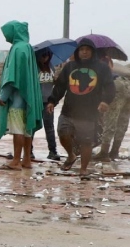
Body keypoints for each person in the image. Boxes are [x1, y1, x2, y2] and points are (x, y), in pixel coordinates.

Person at [47, 37, 115, 178]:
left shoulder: (101, 67)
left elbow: (109, 86)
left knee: (86, 141)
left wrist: (105, 101)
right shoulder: (70, 67)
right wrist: (52, 101)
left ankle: (83, 169)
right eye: (82, 50)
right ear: (77, 51)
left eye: (87, 50)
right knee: (63, 133)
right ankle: (71, 155)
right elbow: (60, 86)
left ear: (92, 51)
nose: (84, 52)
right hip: (69, 109)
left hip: (89, 112)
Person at [0, 21, 43, 171]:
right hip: (29, 97)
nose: (5, 37)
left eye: (7, 33)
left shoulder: (17, 49)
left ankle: (15, 160)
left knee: (17, 130)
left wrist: (3, 96)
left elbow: (11, 76)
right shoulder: (27, 47)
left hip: (17, 98)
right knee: (27, 129)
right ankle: (26, 159)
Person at [94, 50, 130, 161]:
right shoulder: (107, 59)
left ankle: (104, 152)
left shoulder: (92, 63)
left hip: (115, 85)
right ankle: (114, 151)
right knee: (123, 121)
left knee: (110, 119)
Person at [34, 49, 61, 161]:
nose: (45, 58)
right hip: (36, 101)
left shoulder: (51, 67)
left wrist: (56, 80)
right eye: (43, 55)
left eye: (47, 55)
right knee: (32, 126)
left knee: (49, 127)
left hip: (48, 102)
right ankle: (28, 151)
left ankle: (53, 151)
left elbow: (54, 83)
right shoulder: (34, 68)